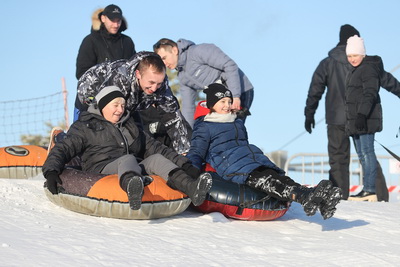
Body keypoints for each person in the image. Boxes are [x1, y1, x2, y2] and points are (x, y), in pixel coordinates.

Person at [186, 83, 342, 220]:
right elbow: (197, 151)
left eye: (228, 101)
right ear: (212, 104)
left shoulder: (236, 121)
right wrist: (191, 172)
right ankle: (305, 196)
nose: (227, 105)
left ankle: (318, 199)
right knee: (267, 181)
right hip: (232, 165)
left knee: (278, 176)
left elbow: (243, 143)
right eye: (222, 102)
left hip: (251, 158)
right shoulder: (205, 126)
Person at [43, 86, 212, 210]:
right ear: (103, 105)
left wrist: (186, 165)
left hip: (129, 166)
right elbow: (63, 149)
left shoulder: (129, 126)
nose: (120, 110)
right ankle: (133, 189)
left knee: (156, 159)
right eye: (115, 105)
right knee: (128, 158)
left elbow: (157, 148)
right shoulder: (85, 126)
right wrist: (51, 171)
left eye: (122, 106)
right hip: (99, 169)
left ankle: (191, 188)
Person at [304, 24, 400, 201]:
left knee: (339, 159)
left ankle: (339, 197)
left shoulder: (327, 63)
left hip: (336, 118)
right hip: (359, 117)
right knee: (367, 154)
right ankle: (378, 196)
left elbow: (315, 90)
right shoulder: (364, 62)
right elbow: (387, 81)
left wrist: (309, 113)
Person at [76, 51, 191, 155]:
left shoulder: (160, 85)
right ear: (138, 74)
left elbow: (173, 116)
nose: (154, 88)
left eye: (159, 83)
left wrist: (184, 150)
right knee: (102, 130)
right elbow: (109, 113)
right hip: (91, 95)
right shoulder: (120, 80)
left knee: (137, 133)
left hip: (131, 102)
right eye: (151, 82)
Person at [153, 38, 254, 127]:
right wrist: (187, 133)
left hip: (240, 90)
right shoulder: (183, 76)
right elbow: (188, 108)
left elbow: (229, 65)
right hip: (220, 100)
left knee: (231, 131)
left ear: (174, 50)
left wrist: (236, 96)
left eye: (164, 58)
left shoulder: (198, 51)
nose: (164, 63)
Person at [344, 36, 389, 201]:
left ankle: (370, 189)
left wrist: (362, 114)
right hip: (356, 120)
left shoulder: (368, 69)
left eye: (355, 55)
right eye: (349, 56)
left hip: (366, 118)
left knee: (367, 152)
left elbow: (370, 93)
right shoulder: (355, 70)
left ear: (362, 54)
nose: (352, 59)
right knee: (362, 155)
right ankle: (367, 189)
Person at [74, 4, 136, 121]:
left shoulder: (127, 42)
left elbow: (134, 69)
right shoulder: (90, 41)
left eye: (118, 21)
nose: (116, 24)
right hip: (95, 100)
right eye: (112, 20)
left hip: (123, 101)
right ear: (103, 18)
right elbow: (82, 73)